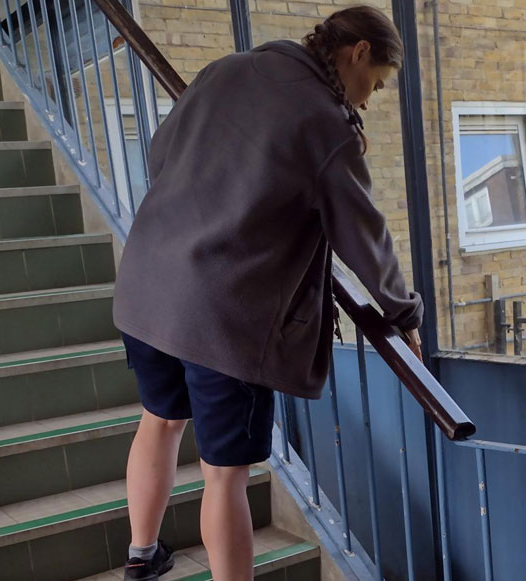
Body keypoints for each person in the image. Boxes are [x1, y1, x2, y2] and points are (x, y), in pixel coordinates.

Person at [111, 5, 424, 580]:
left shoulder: (228, 68)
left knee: (158, 420)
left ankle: (141, 556)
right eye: (374, 83)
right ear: (356, 52)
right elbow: (363, 233)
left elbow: (160, 153)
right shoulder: (327, 125)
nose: (367, 99)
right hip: (223, 317)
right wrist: (404, 311)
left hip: (147, 285)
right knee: (225, 474)